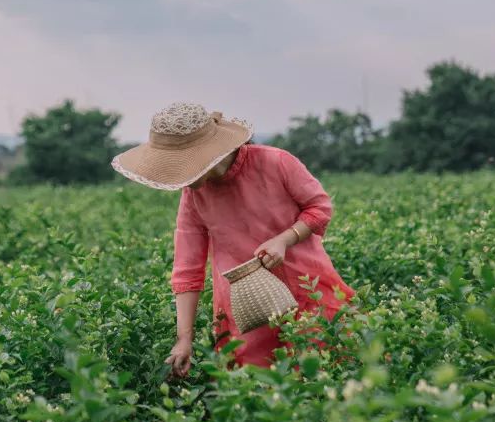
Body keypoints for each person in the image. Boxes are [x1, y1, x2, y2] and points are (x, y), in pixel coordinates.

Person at [112, 102, 354, 376]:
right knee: (256, 390)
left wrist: (284, 240)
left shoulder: (275, 162)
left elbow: (319, 208)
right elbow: (187, 270)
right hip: (246, 312)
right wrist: (184, 339)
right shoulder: (194, 196)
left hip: (308, 288)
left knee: (324, 374)